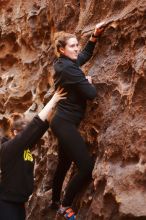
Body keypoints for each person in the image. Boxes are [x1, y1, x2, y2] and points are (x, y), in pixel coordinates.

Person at [50, 24, 104, 219]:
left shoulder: (65, 64)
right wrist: (86, 81)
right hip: (64, 123)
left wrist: (94, 37)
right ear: (62, 50)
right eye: (72, 46)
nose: (77, 48)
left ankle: (54, 200)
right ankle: (65, 205)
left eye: (76, 44)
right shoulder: (69, 70)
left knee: (64, 164)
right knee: (86, 167)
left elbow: (83, 57)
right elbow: (91, 94)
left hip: (63, 122)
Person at [0, 88, 66, 220]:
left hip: (19, 202)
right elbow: (33, 128)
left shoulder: (25, 147)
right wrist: (53, 99)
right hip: (6, 203)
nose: (27, 136)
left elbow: (39, 129)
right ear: (15, 133)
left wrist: (55, 107)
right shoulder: (9, 148)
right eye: (23, 133)